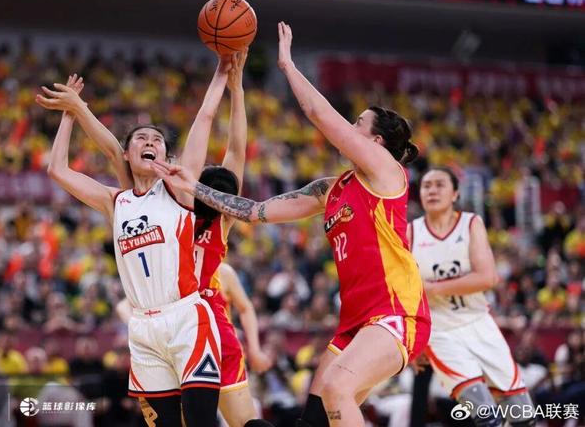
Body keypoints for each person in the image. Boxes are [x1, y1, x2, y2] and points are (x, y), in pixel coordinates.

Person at [151, 22, 431, 427]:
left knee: (336, 389)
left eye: (358, 123)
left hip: (395, 313)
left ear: (377, 143)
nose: (350, 127)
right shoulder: (331, 189)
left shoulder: (387, 174)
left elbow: (319, 114)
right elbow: (255, 211)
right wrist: (193, 187)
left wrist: (287, 65)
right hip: (355, 322)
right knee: (313, 421)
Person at [59, 51, 274, 427]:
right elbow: (114, 152)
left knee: (239, 422)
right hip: (155, 324)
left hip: (197, 319)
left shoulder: (213, 216)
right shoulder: (145, 199)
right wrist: (76, 110)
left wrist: (234, 87)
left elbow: (233, 149)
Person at [410, 167, 535, 427]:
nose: (432, 190)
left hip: (478, 321)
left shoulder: (470, 223)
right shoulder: (410, 232)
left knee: (523, 416)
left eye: (439, 185)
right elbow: (403, 293)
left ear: (455, 193)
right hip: (439, 331)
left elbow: (487, 278)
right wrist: (414, 341)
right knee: (485, 415)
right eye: (426, 186)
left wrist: (432, 288)